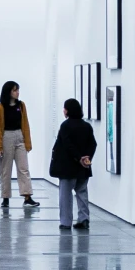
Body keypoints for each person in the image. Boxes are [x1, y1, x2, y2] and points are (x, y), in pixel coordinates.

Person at [48, 97, 97, 231]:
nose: (63, 111)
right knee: (82, 192)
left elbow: (68, 145)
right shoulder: (87, 126)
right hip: (83, 168)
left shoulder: (65, 125)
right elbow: (93, 144)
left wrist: (79, 158)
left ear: (68, 110)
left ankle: (65, 222)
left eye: (64, 108)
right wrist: (86, 158)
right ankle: (84, 219)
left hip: (67, 167)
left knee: (65, 194)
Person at [0, 81, 36, 209]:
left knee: (23, 168)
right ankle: (5, 197)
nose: (17, 92)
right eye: (14, 90)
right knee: (6, 169)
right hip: (6, 136)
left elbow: (25, 124)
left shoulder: (21, 105)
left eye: (17, 90)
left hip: (20, 136)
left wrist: (27, 142)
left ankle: (27, 196)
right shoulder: (1, 107)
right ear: (8, 92)